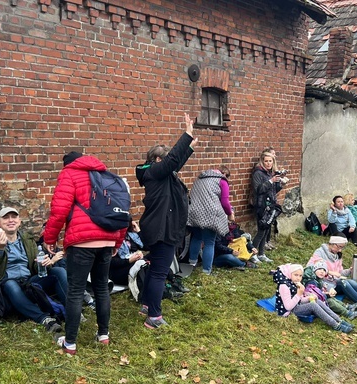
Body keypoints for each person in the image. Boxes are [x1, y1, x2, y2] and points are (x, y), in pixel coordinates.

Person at [44, 152, 128, 353]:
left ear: (68, 164)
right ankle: (103, 335)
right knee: (101, 287)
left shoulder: (69, 174)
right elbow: (123, 210)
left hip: (82, 241)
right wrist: (117, 240)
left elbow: (59, 210)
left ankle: (70, 343)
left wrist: (50, 238)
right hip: (107, 239)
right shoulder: (107, 176)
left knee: (75, 290)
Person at [135, 113, 197, 329]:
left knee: (154, 270)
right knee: (160, 272)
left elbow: (175, 162)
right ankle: (154, 317)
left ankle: (146, 304)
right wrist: (186, 136)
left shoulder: (159, 175)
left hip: (160, 228)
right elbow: (173, 161)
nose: (172, 163)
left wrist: (187, 148)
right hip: (162, 230)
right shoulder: (155, 172)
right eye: (167, 159)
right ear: (158, 160)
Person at [0, 207, 68, 334]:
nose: (10, 220)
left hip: (27, 281)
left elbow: (35, 266)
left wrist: (45, 263)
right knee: (11, 284)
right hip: (3, 284)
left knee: (58, 272)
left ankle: (73, 310)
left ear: (19, 221)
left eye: (14, 217)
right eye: (6, 218)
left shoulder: (27, 239)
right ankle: (44, 319)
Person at [273, 264, 353, 333]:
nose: (298, 278)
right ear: (290, 274)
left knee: (316, 300)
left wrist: (309, 298)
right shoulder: (284, 286)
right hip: (288, 311)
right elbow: (288, 307)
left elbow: (300, 300)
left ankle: (339, 320)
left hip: (296, 305)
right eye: (296, 275)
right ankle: (336, 325)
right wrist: (298, 294)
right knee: (313, 305)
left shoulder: (295, 283)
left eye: (300, 276)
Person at [187, 166, 233, 275]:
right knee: (209, 242)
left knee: (197, 237)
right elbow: (225, 203)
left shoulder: (200, 179)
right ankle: (206, 271)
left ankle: (191, 264)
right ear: (223, 174)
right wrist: (230, 214)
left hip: (194, 212)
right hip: (210, 214)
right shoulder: (222, 181)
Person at [251, 151, 287, 263]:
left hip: (271, 204)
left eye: (270, 161)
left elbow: (274, 190)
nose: (268, 163)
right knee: (261, 230)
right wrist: (271, 181)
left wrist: (281, 184)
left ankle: (261, 254)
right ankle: (253, 254)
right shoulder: (258, 173)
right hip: (261, 205)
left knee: (267, 231)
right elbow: (259, 189)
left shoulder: (271, 173)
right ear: (262, 161)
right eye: (266, 161)